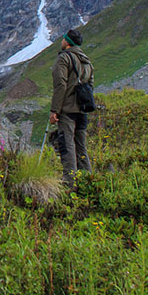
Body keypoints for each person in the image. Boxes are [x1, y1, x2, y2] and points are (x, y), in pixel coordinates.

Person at [49, 29, 94, 187]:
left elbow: (60, 85)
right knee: (81, 146)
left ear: (67, 42)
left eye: (63, 39)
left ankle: (70, 183)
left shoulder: (64, 58)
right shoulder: (86, 61)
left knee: (67, 145)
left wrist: (55, 110)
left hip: (68, 110)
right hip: (83, 109)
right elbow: (90, 85)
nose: (61, 41)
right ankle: (88, 181)